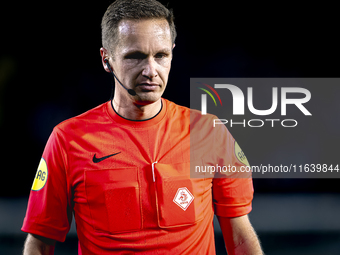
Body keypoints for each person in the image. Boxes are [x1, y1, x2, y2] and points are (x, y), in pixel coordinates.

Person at [22, 0, 263, 254]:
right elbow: (40, 243)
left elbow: (239, 238)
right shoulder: (68, 140)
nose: (151, 70)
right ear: (107, 60)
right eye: (135, 56)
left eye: (161, 55)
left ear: (172, 53)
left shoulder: (209, 132)